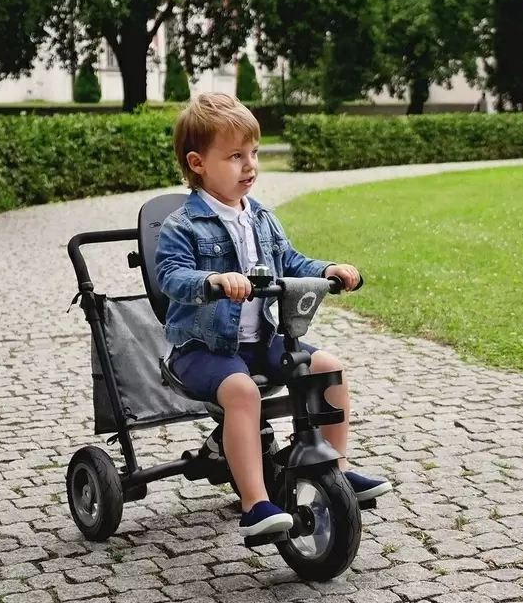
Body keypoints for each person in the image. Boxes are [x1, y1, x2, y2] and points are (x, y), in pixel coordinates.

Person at [155, 93, 391, 537]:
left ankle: (336, 471)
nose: (251, 166)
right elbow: (170, 276)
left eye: (255, 154)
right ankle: (255, 502)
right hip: (203, 349)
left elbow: (291, 260)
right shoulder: (182, 225)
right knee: (243, 393)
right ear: (198, 163)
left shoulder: (261, 216)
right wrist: (214, 280)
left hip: (263, 340)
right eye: (235, 156)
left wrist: (327, 270)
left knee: (328, 368)